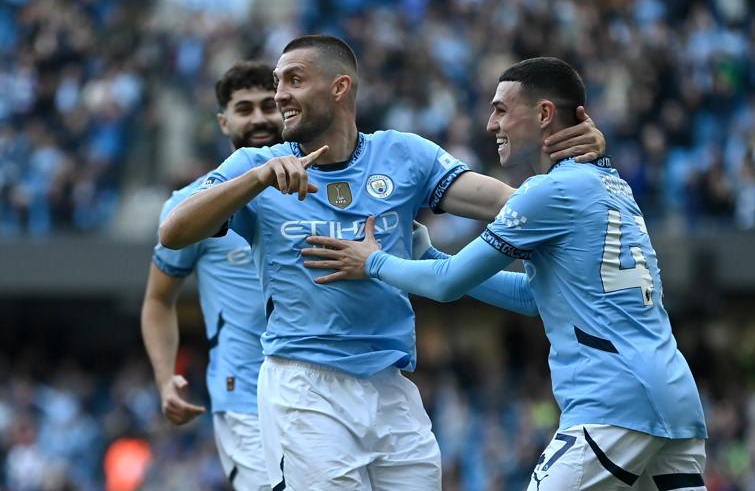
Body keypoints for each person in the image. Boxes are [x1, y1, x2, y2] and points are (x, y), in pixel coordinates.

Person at [159, 36, 606, 490]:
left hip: (390, 384)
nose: (280, 95)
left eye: (294, 80)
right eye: (278, 83)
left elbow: (511, 205)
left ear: (339, 87)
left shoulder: (404, 154)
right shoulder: (256, 165)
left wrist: (583, 163)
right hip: (304, 385)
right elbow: (173, 231)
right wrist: (256, 180)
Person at [301, 57, 707, 490]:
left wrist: (373, 262)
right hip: (675, 397)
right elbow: (533, 297)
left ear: (545, 114)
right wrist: (431, 256)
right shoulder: (613, 185)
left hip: (614, 403)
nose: (491, 123)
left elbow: (447, 285)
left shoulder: (547, 192)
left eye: (500, 109)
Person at [141, 61, 282, 491]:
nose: (258, 118)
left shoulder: (327, 189)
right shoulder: (193, 209)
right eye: (244, 109)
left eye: (267, 105)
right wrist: (166, 379)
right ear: (224, 121)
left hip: (325, 388)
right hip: (245, 399)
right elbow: (157, 300)